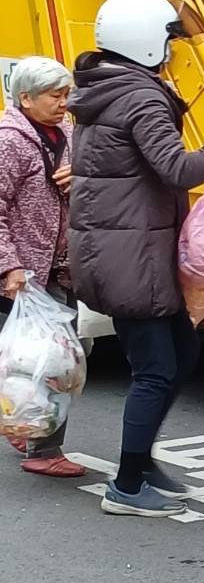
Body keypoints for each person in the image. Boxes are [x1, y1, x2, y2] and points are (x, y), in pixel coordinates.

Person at [69, 0, 204, 518]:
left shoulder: (106, 89)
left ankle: (142, 461)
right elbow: (177, 169)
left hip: (124, 248)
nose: (173, 51)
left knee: (182, 351)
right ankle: (126, 485)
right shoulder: (140, 98)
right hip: (132, 254)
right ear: (147, 43)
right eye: (169, 41)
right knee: (156, 369)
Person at [0, 57, 84, 478]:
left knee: (51, 360)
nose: (64, 103)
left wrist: (81, 178)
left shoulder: (68, 133)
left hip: (60, 269)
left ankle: (28, 427)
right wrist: (10, 266)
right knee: (42, 362)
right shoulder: (9, 141)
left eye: (66, 94)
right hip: (23, 274)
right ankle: (43, 447)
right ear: (26, 98)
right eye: (55, 95)